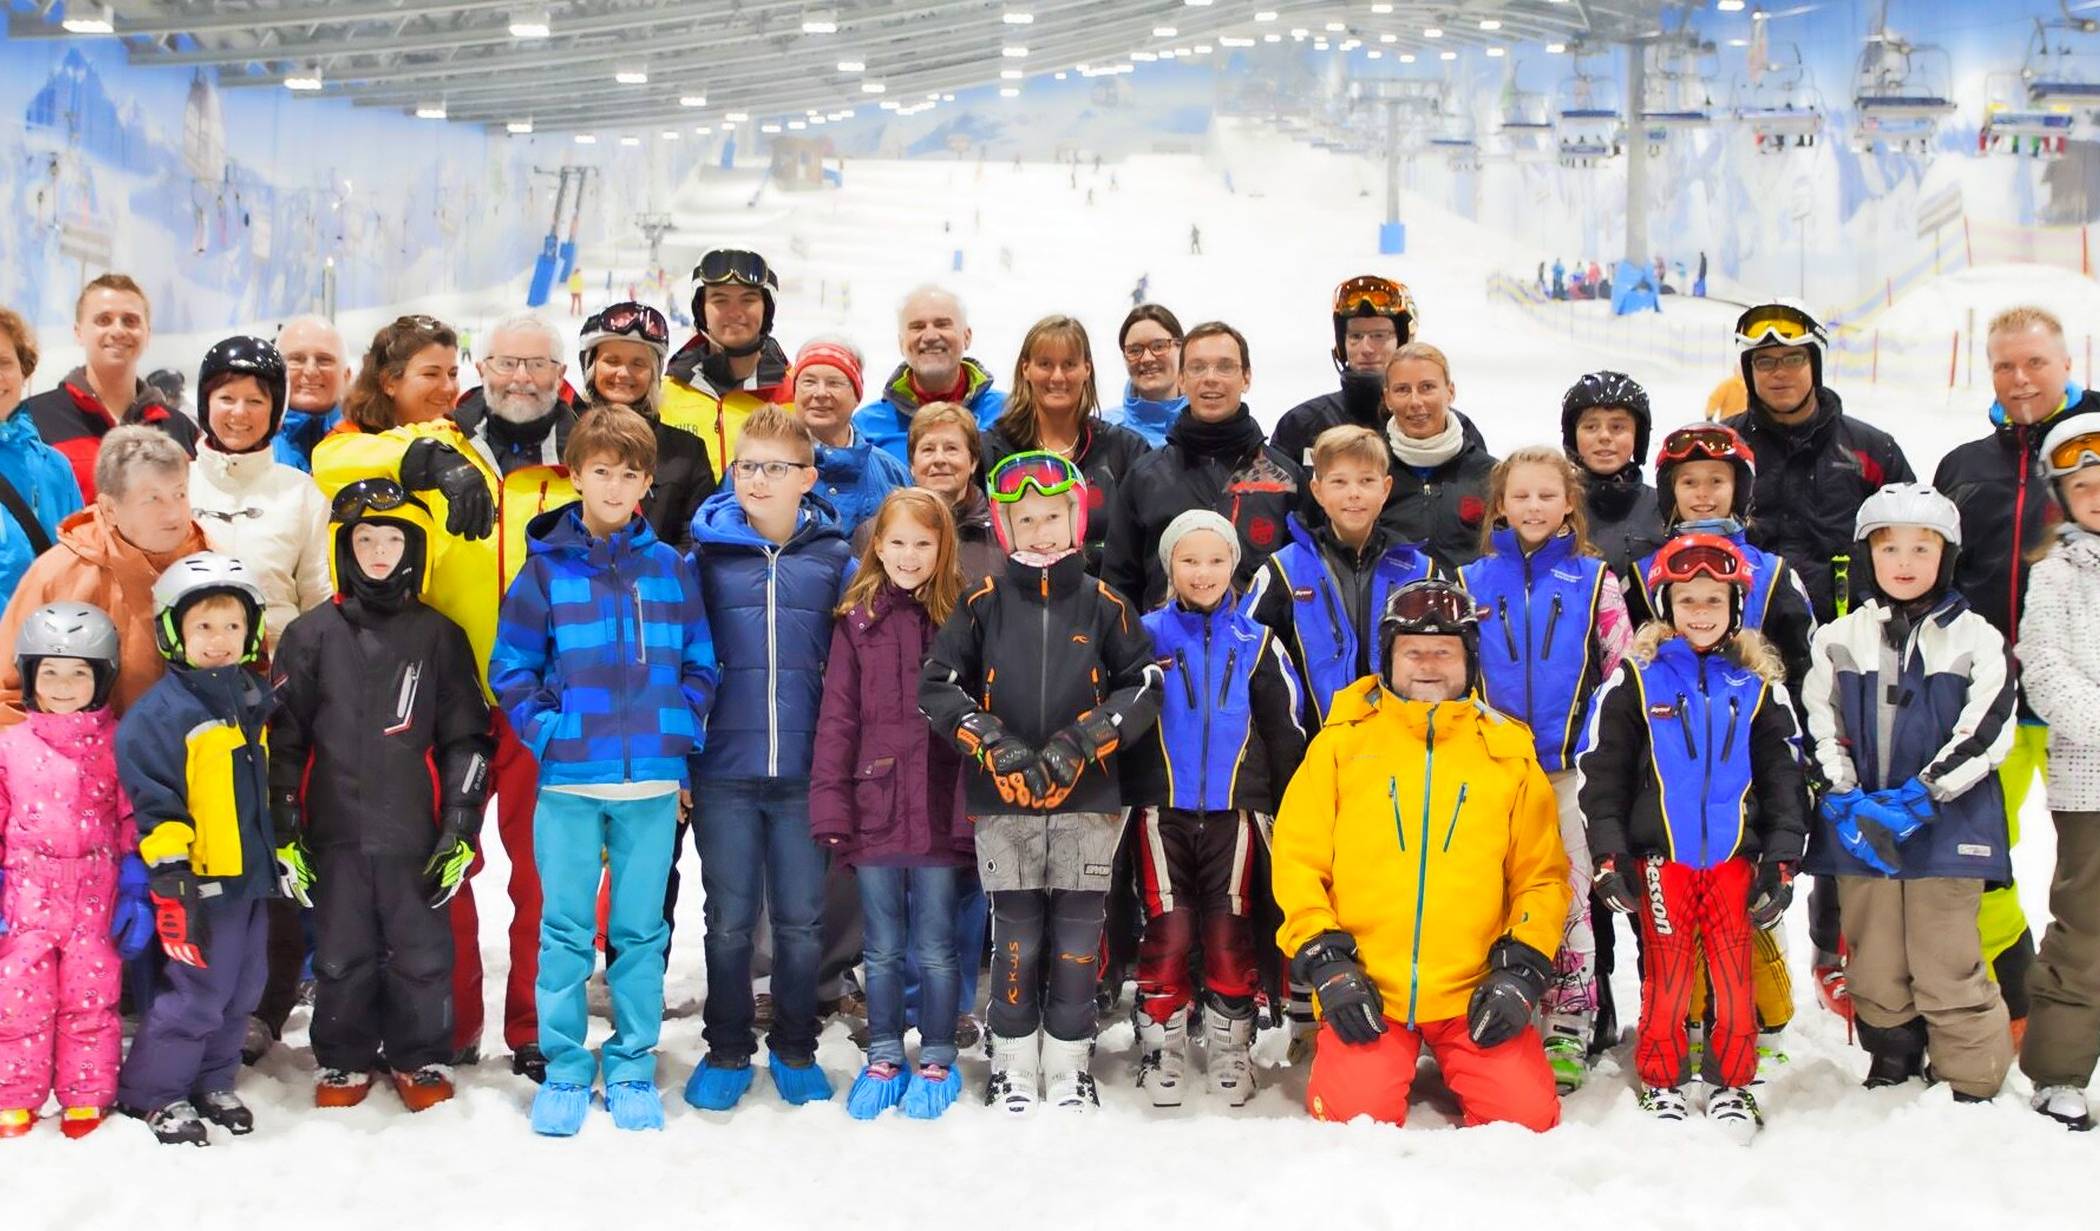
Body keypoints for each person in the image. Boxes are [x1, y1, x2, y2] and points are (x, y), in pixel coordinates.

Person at [313, 315, 542, 1079]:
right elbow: (329, 457)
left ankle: (534, 1023)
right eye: (430, 375)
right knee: (447, 870)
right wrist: (419, 458)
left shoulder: (470, 439)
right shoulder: (395, 448)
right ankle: (451, 1020)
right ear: (389, 380)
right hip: (444, 697)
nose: (449, 389)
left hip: (530, 694)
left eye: (453, 373)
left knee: (540, 870)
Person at [491, 407, 718, 1136]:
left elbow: (701, 663)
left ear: (647, 483)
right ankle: (564, 1062)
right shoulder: (544, 569)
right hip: (569, 780)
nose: (614, 485)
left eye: (629, 474)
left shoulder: (672, 570)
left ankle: (629, 1062)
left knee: (641, 931)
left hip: (651, 782)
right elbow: (514, 668)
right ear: (576, 473)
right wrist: (550, 732)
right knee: (562, 930)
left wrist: (677, 726)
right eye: (601, 471)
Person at [1272, 579, 1568, 1132]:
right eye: (1413, 650)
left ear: (1469, 659)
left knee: (1525, 1121)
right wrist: (1329, 964)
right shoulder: (1341, 744)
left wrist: (1520, 972)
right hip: (1370, 988)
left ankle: (1464, 1051)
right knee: (1350, 1119)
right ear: (1389, 657)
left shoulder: (1507, 753)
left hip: (1472, 990)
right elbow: (1297, 861)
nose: (1427, 664)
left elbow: (1542, 877)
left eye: (1443, 651)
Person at [918, 450, 1162, 1113]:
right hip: (1006, 797)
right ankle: (1014, 1056)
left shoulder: (1105, 603)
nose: (1041, 530)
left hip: (1087, 795)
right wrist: (992, 743)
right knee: (1018, 932)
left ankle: (1068, 1057)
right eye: (1025, 520)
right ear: (1004, 527)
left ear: (1075, 519)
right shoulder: (981, 603)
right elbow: (937, 684)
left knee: (1081, 935)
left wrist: (1084, 741)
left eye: (1053, 516)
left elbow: (1143, 683)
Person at [270, 479, 492, 1113]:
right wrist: (286, 826)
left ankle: (420, 1053)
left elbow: (467, 740)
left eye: (391, 540)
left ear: (413, 550)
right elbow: (283, 741)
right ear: (344, 548)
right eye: (364, 539)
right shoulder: (310, 635)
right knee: (340, 953)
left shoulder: (440, 636)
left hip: (415, 832)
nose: (377, 552)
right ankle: (342, 1058)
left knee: (421, 952)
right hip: (333, 829)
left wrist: (459, 826)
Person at [1579, 534, 1809, 1139]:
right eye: (1687, 601)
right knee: (1668, 974)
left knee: (1735, 977)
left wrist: (1782, 859)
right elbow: (1602, 774)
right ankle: (1663, 1079)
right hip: (1663, 863)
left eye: (1714, 599)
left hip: (1736, 860)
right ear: (1666, 607)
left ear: (1735, 607)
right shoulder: (1636, 680)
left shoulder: (1758, 686)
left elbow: (1786, 780)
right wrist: (1610, 855)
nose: (1700, 611)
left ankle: (1733, 1082)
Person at [1801, 484, 2013, 1104]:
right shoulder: (1839, 637)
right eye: (1889, 547)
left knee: (1945, 956)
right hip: (1860, 825)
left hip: (1950, 826)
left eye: (1922, 548)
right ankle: (1892, 1056)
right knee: (1873, 959)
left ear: (1946, 558)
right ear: (1867, 556)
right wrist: (1841, 793)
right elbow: (1817, 719)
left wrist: (1926, 794)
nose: (1904, 562)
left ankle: (1972, 1078)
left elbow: (1989, 727)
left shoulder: (1976, 638)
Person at [683, 405, 853, 1112]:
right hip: (724, 769)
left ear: (807, 478)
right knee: (726, 916)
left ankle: (794, 1043)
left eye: (775, 468)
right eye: (747, 465)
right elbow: (684, 661)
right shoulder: (705, 558)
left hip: (805, 774)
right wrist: (684, 759)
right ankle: (726, 1044)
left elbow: (849, 674)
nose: (758, 478)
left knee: (800, 918)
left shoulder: (837, 561)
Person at [1936, 306, 2097, 1029]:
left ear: (2068, 362)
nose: (2020, 378)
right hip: (1995, 700)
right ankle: (2024, 993)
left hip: (2088, 699)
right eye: (2005, 365)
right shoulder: (1965, 466)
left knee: (2089, 869)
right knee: (1979, 858)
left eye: (2035, 361)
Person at [1460, 447, 1634, 1092]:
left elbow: (1620, 678)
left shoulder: (1596, 582)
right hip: (1492, 774)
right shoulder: (1469, 582)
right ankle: (1505, 1016)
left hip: (1569, 775)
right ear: (1500, 505)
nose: (1533, 507)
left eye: (1546, 495)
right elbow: (1450, 679)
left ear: (1569, 504)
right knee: (1493, 897)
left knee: (1568, 902)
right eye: (1521, 496)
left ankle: (1569, 1023)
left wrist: (1595, 752)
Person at [1122, 510, 1305, 1108]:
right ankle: (1161, 1042)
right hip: (1160, 810)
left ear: (1235, 565)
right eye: (1189, 560)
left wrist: (1287, 808)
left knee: (1229, 929)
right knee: (1168, 926)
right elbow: (1120, 717)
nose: (1203, 572)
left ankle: (1232, 1046)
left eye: (1216, 560)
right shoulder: (1142, 633)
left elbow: (1285, 732)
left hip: (1236, 812)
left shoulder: (1258, 641)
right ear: (1168, 564)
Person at [814, 489, 973, 1121]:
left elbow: (976, 717)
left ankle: (936, 1052)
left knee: (935, 945)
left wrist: (970, 805)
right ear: (877, 545)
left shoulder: (963, 616)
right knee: (879, 947)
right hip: (874, 803)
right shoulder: (855, 620)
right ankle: (884, 1050)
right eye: (898, 542)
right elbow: (837, 719)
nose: (909, 556)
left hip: (937, 804)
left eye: (923, 543)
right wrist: (831, 805)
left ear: (943, 549)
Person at [113, 553, 275, 1145]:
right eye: (203, 626)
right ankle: (155, 1093)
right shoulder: (163, 714)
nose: (219, 640)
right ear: (173, 632)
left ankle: (212, 1078)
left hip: (248, 876)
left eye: (232, 625)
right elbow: (154, 800)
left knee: (244, 988)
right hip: (199, 882)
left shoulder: (250, 699)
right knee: (197, 993)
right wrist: (173, 869)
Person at [0, 602, 147, 1140]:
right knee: (17, 1003)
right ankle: (14, 1096)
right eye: (51, 673)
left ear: (102, 677)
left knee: (91, 1002)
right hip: (25, 899)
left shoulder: (119, 745)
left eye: (79, 672)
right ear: (31, 676)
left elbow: (134, 817)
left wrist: (135, 884)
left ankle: (85, 1096)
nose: (64, 686)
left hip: (96, 899)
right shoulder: (9, 747)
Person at [2012, 412, 2100, 1129]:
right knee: (2085, 923)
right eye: (2083, 485)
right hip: (2092, 779)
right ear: (2061, 495)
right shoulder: (2056, 573)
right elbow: (2043, 666)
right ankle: (2060, 1069)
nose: (2097, 494)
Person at [1721, 300, 1915, 623]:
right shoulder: (1724, 446)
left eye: (1793, 358)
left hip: (1848, 638)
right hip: (1744, 637)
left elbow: (1912, 542)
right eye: (1764, 362)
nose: (1779, 373)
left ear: (1815, 363)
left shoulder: (1872, 449)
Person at [0, 425, 208, 721]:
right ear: (110, 508)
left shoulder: (211, 566)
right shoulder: (58, 575)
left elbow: (250, 672)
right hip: (78, 760)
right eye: (154, 499)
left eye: (180, 494)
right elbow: (7, 696)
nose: (174, 513)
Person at [1249, 425, 1438, 735]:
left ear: (1385, 489)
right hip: (1312, 753)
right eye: (1339, 481)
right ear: (1318, 491)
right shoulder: (1284, 569)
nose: (1354, 493)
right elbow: (1252, 664)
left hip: (1402, 752)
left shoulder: (1420, 572)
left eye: (1367, 481)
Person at [1104, 321, 1304, 609]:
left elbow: (1304, 586)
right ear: (1182, 379)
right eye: (1197, 367)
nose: (1211, 378)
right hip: (1163, 651)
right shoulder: (1145, 476)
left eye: (1225, 367)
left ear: (1246, 377)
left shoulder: (1286, 477)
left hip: (1262, 649)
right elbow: (1119, 586)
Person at [188, 336, 332, 652]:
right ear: (205, 403)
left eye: (255, 401)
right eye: (226, 398)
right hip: (191, 672)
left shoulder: (302, 492)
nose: (240, 413)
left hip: (279, 671)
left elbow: (318, 595)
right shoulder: (178, 485)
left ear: (275, 410)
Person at [978, 316, 1150, 575]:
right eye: (1045, 364)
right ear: (1025, 368)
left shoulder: (1125, 450)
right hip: (1013, 608)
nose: (1057, 376)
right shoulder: (991, 450)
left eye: (1069, 364)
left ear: (1087, 370)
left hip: (1106, 609)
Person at [24, 274, 197, 500]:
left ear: (148, 334)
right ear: (78, 332)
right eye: (103, 320)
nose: (118, 331)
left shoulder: (179, 427)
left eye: (130, 320)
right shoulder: (34, 419)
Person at [452, 313, 582, 584]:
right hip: (456, 627)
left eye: (538, 364)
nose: (522, 377)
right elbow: (339, 456)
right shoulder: (445, 438)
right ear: (481, 370)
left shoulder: (588, 454)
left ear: (560, 375)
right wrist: (422, 456)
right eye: (506, 364)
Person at [575, 301, 716, 550]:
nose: (623, 373)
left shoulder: (685, 452)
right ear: (591, 367)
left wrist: (657, 579)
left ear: (654, 373)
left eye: (638, 364)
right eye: (612, 360)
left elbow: (696, 538)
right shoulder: (565, 437)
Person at [661, 249, 793, 473]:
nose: (734, 312)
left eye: (748, 300)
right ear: (701, 309)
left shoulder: (796, 393)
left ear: (766, 308)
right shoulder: (665, 395)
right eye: (720, 300)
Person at [1271, 275, 1418, 468]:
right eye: (1356, 336)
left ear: (1403, 342)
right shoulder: (1300, 424)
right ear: (1342, 344)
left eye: (1379, 336)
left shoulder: (1437, 423)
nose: (1366, 348)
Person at [854, 285, 1009, 465]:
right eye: (917, 327)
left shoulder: (1007, 413)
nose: (930, 336)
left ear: (967, 336)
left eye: (942, 324)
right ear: (901, 343)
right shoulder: (866, 427)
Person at [1378, 342, 1495, 569]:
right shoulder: (1369, 471)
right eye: (1402, 390)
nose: (1415, 402)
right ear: (1388, 398)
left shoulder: (1492, 475)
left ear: (1450, 392)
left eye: (1427, 387)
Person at [0, 308, 83, 605]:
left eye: (4, 363)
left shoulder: (54, 467)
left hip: (45, 646)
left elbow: (78, 567)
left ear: (24, 371)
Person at [789, 337, 910, 533]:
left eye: (834, 383)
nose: (820, 393)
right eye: (809, 382)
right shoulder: (763, 466)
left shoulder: (892, 473)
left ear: (857, 395)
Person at [1560, 370, 1663, 581]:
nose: (1604, 436)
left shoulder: (1663, 508)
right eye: (1590, 427)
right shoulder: (1555, 507)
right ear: (1573, 436)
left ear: (1638, 436)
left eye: (1617, 427)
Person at [272, 315, 349, 473]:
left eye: (324, 360)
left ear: (346, 375)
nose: (310, 371)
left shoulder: (368, 439)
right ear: (275, 372)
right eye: (297, 359)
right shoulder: (252, 444)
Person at [1106, 304, 1186, 449]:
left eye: (1159, 346)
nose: (1147, 358)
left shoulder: (1210, 430)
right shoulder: (1101, 433)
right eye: (1135, 350)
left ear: (1182, 349)